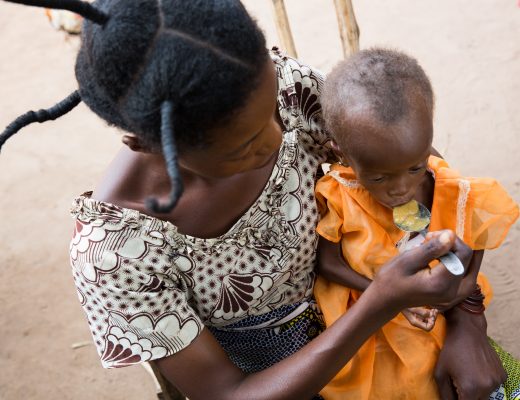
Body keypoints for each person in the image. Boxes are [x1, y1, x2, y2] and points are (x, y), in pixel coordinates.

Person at [0, 1, 507, 399]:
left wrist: (467, 319)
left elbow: (407, 163)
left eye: (270, 110)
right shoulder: (116, 254)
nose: (276, 139)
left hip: (393, 314)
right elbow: (229, 393)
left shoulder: (287, 90)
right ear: (144, 143)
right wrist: (382, 302)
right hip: (281, 375)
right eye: (242, 146)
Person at [314, 48, 520, 399]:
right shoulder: (338, 195)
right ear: (342, 154)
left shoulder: (437, 175)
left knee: (489, 385)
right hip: (375, 326)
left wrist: (466, 288)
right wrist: (385, 295)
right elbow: (327, 262)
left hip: (434, 316)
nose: (401, 188)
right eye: (379, 178)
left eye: (414, 167)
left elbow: (474, 222)